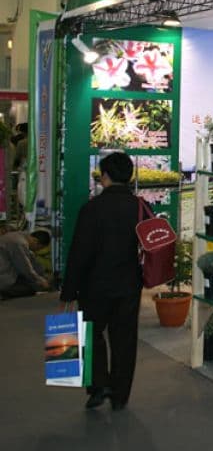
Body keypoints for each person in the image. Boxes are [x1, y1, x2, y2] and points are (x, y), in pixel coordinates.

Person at [60, 152, 143, 411]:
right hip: (129, 283)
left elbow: (79, 252)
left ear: (104, 177)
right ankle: (120, 396)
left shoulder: (92, 208)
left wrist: (68, 291)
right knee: (124, 340)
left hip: (94, 285)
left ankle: (98, 386)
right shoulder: (140, 207)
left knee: (90, 334)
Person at [0, 229, 50, 299]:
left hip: (6, 273)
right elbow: (25, 268)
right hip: (3, 278)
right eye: (39, 248)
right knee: (31, 288)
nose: (38, 250)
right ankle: (2, 293)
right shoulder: (19, 243)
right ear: (35, 241)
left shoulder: (19, 237)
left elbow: (32, 261)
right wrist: (40, 280)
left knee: (31, 282)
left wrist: (43, 275)